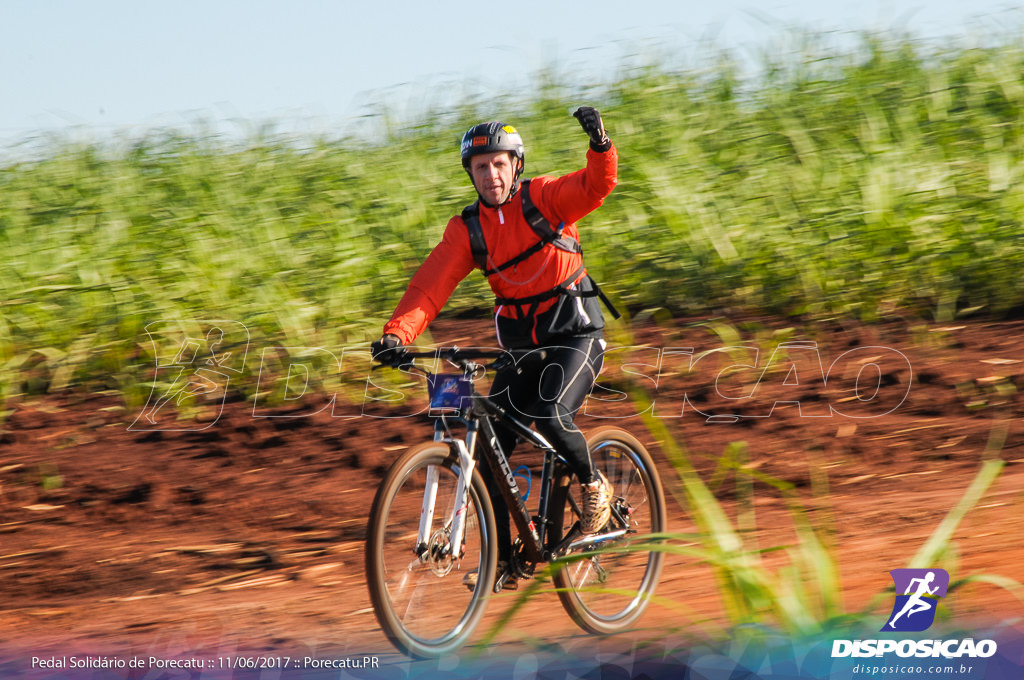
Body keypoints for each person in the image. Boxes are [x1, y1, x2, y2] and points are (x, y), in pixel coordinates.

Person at [371, 107, 619, 587]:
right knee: (489, 449)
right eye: (481, 167)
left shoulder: (543, 198)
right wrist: (397, 335)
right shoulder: (468, 230)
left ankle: (594, 485)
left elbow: (594, 187)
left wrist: (601, 146)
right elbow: (430, 286)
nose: (491, 174)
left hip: (575, 334)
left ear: (516, 166)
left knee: (550, 414)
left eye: (500, 164)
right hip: (521, 348)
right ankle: (508, 561)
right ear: (471, 173)